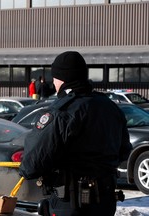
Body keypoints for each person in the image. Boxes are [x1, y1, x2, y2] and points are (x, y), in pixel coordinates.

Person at [19, 51, 132, 216]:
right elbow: (124, 151)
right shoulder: (110, 107)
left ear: (61, 79)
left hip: (70, 203)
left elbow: (31, 164)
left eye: (54, 77)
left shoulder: (61, 112)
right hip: (105, 201)